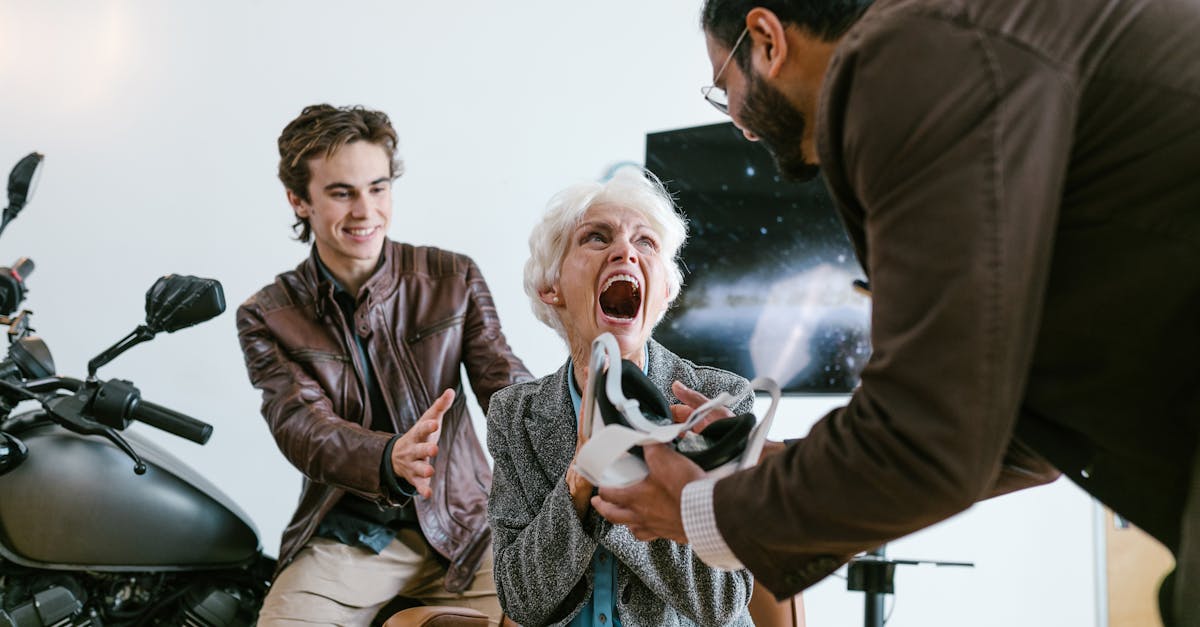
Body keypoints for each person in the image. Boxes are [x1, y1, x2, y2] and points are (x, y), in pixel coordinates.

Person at [591, 1, 1200, 624]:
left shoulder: (903, 62)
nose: (742, 128)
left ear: (768, 40)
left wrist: (701, 511)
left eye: (726, 92)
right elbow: (1005, 430)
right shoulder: (949, 53)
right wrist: (767, 461)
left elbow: (929, 425)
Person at [236, 104, 531, 626]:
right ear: (299, 201)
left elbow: (503, 379)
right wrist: (388, 456)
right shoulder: (267, 314)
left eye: (378, 188)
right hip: (348, 539)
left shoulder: (452, 277)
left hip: (470, 527)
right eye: (341, 193)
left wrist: (570, 424)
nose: (365, 210)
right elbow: (302, 427)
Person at [487, 167, 791, 626]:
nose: (625, 251)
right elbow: (520, 601)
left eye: (645, 242)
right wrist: (578, 485)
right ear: (551, 287)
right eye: (596, 237)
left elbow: (722, 600)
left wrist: (627, 477)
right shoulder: (514, 415)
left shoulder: (719, 400)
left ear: (665, 291)